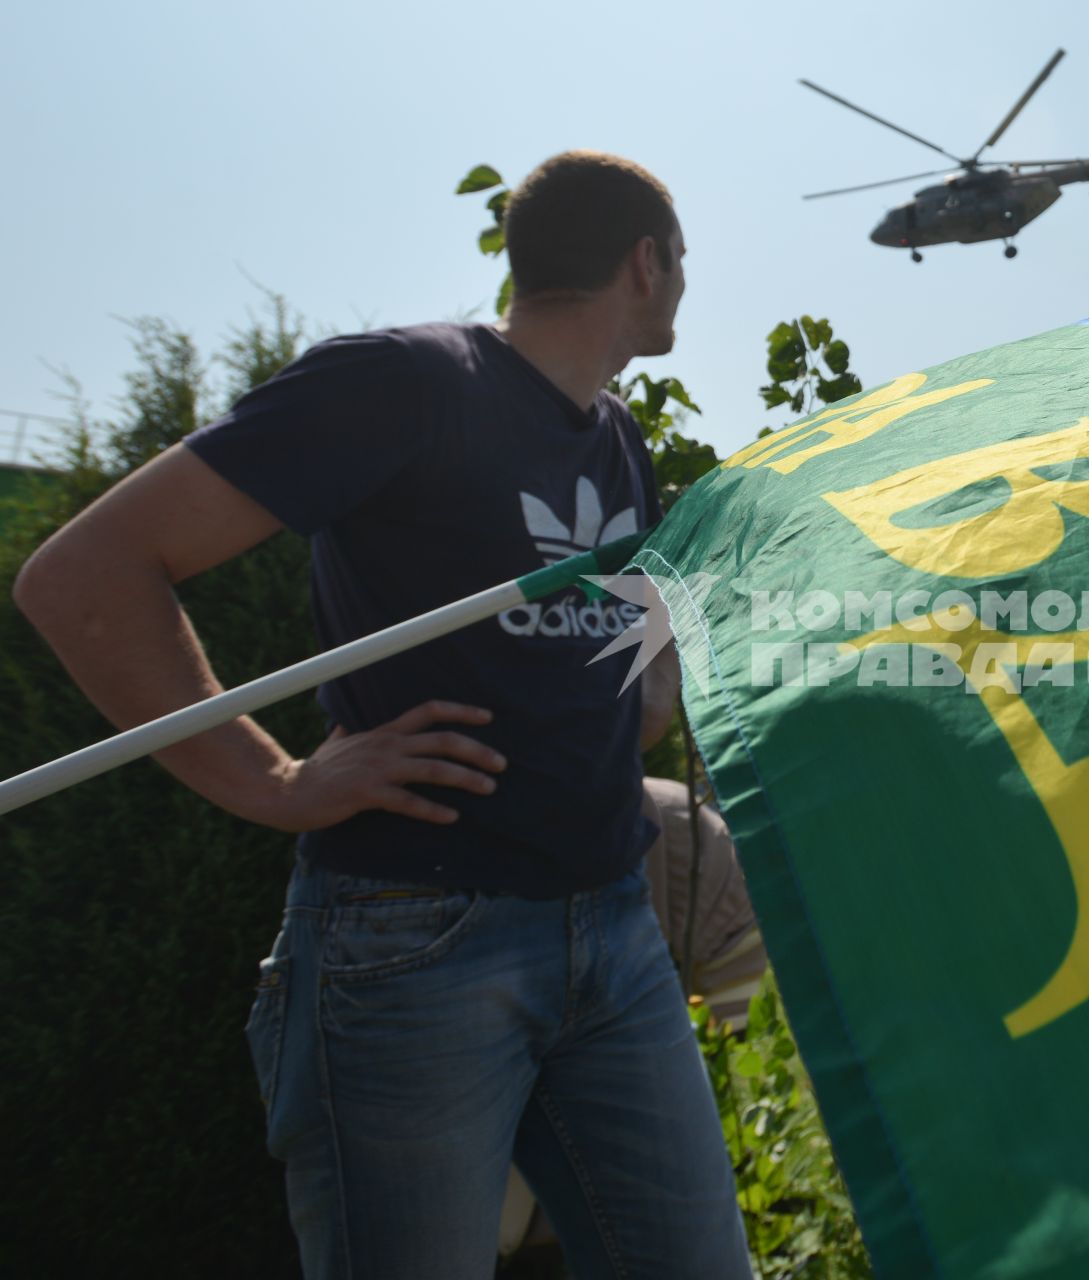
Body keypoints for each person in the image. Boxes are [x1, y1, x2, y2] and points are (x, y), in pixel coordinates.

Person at [12, 150, 752, 1279]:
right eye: (683, 260)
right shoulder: (404, 381)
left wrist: (690, 612)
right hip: (413, 941)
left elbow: (627, 707)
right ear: (646, 263)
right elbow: (85, 574)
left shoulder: (617, 443)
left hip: (612, 932)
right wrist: (272, 781)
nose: (687, 283)